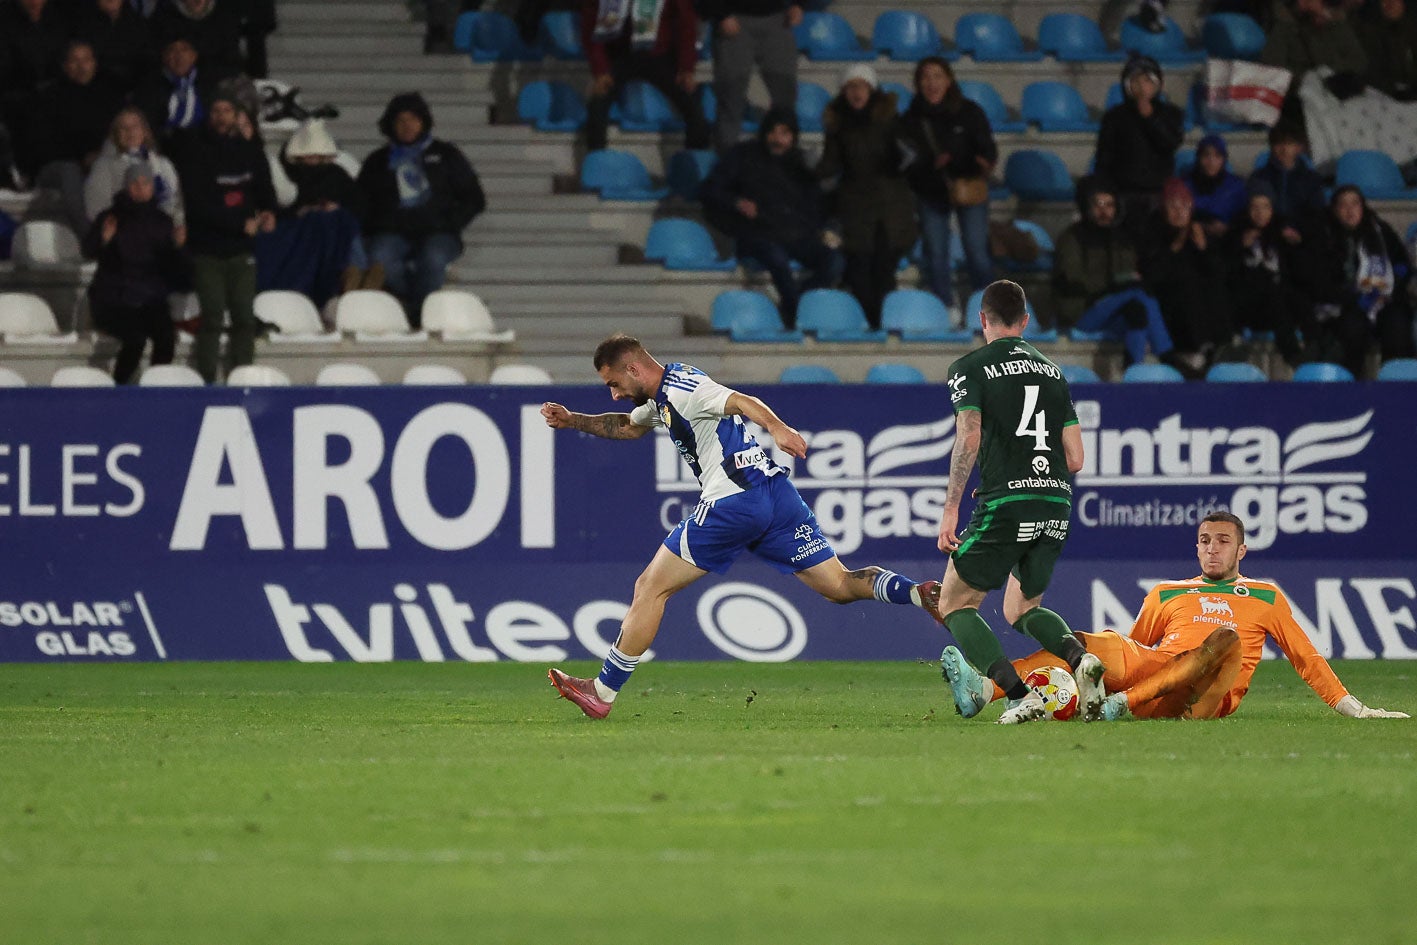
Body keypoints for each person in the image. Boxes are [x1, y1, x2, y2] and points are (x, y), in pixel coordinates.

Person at [542, 333, 943, 719]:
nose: (614, 393)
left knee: (650, 588)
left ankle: (602, 691)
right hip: (775, 496)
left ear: (632, 368)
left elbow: (741, 401)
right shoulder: (666, 392)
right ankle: (918, 593)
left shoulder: (686, 390)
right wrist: (573, 420)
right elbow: (629, 425)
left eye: (614, 383)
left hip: (733, 501)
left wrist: (777, 428)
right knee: (838, 586)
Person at [943, 512, 1410, 721]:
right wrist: (1106, 663)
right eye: (1205, 540)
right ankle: (985, 690)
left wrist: (1353, 706)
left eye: (1223, 541)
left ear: (1241, 549)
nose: (1212, 548)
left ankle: (1118, 706)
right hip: (1159, 676)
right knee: (1100, 646)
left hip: (1209, 692)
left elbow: (1305, 657)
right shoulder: (1168, 592)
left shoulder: (1266, 595)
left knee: (1225, 640)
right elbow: (1135, 649)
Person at [932, 280, 1106, 725]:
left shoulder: (969, 367)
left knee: (954, 603)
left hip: (1007, 502)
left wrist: (952, 506)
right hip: (1055, 503)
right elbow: (1076, 458)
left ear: (983, 319)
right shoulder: (1053, 372)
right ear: (1025, 321)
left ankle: (1017, 695)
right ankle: (1079, 659)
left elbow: (969, 435)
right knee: (1021, 607)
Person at [699, 107, 842, 328]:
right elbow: (711, 189)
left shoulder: (800, 165)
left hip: (796, 235)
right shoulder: (744, 155)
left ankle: (797, 300)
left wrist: (823, 229)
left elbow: (816, 205)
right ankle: (795, 313)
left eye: (785, 133)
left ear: (793, 137)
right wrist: (737, 202)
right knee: (777, 259)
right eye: (773, 132)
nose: (778, 139)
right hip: (756, 233)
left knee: (835, 261)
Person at [170, 90, 276, 382]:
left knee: (244, 317)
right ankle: (206, 381)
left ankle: (242, 376)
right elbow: (198, 205)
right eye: (216, 111)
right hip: (208, 250)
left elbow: (265, 191)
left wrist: (268, 212)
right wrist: (238, 225)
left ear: (236, 115)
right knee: (213, 317)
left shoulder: (250, 152)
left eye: (227, 110)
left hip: (242, 251)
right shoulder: (195, 151)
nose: (221, 117)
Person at [357, 91, 485, 326]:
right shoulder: (377, 161)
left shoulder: (447, 155)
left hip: (438, 232)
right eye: (401, 121)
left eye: (413, 120)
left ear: (424, 122)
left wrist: (450, 222)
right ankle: (412, 301)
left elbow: (474, 198)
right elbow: (361, 201)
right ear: (391, 125)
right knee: (380, 258)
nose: (408, 126)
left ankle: (419, 314)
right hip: (391, 232)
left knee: (433, 259)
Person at [1051, 175, 1190, 373]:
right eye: (1098, 204)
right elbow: (1073, 278)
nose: (1104, 211)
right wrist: (1113, 284)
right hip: (1081, 311)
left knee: (1137, 310)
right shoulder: (1071, 238)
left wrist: (1121, 284)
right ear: (1086, 206)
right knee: (1138, 293)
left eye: (1110, 205)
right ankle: (1167, 357)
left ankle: (1133, 371)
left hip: (1113, 309)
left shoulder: (1121, 240)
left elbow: (1128, 276)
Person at [898, 55, 996, 325]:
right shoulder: (911, 119)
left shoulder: (969, 111)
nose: (932, 83)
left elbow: (987, 149)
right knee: (936, 252)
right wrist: (929, 164)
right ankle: (945, 306)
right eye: (926, 77)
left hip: (968, 187)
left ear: (949, 80)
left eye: (937, 76)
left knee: (977, 250)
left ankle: (986, 307)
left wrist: (960, 158)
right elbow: (905, 159)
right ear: (918, 83)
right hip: (930, 192)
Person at [817, 64, 916, 330]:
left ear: (871, 89)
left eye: (860, 86)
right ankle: (870, 327)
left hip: (890, 211)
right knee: (859, 275)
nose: (856, 92)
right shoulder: (837, 125)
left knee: (883, 275)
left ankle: (883, 328)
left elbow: (907, 156)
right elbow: (829, 165)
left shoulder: (890, 120)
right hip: (855, 210)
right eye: (850, 87)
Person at [82, 162, 188, 384]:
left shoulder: (163, 222)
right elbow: (88, 250)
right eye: (135, 183)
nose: (140, 188)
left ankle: (154, 386)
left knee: (166, 338)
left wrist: (178, 248)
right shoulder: (110, 218)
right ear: (126, 187)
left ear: (152, 186)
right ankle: (121, 389)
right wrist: (104, 241)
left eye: (145, 183)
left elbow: (175, 271)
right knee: (135, 338)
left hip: (149, 299)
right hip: (113, 299)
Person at [257, 119, 378, 307]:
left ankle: (357, 276)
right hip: (300, 232)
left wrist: (335, 208)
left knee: (343, 222)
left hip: (335, 230)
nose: (312, 158)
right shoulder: (287, 174)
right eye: (308, 154)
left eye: (317, 154)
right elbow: (281, 205)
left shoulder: (337, 175)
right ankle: (351, 278)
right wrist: (304, 211)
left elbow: (358, 205)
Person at [1307, 184, 1416, 375]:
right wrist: (1353, 296)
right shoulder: (1325, 236)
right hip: (1346, 305)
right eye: (1343, 205)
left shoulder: (1380, 230)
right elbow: (1320, 282)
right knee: (1352, 329)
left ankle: (1395, 386)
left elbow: (1402, 265)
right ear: (1334, 210)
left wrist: (1389, 288)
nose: (1350, 211)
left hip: (1385, 301)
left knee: (1398, 325)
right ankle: (1354, 390)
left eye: (1355, 204)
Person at [21, 41, 127, 236]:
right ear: (64, 66)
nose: (81, 66)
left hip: (101, 161)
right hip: (57, 167)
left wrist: (100, 155)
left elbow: (121, 133)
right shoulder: (48, 97)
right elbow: (40, 145)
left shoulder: (109, 97)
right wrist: (81, 159)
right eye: (75, 61)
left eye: (86, 60)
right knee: (70, 171)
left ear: (94, 63)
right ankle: (89, 237)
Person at [581, 0, 710, 152]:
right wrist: (600, 70)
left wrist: (686, 68)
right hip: (619, 57)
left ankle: (694, 161)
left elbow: (686, 24)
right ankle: (597, 163)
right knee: (597, 106)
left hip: (660, 56)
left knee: (695, 109)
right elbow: (591, 27)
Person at [1139, 177, 1235, 367]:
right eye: (1173, 206)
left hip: (1200, 308)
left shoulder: (1199, 233)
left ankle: (1220, 344)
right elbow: (1153, 277)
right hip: (1167, 305)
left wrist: (1203, 249)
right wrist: (1174, 249)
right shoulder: (1152, 233)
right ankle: (1196, 346)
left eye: (1184, 206)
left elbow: (1218, 274)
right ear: (1163, 208)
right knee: (1185, 283)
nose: (1179, 212)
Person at [1094, 54, 1186, 234]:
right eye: (1135, 81)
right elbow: (1104, 158)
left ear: (1157, 84)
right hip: (1124, 194)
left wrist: (1150, 117)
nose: (1142, 87)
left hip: (1158, 195)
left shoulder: (1171, 114)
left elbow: (1171, 142)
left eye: (1147, 81)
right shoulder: (1114, 117)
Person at [697, 0, 801, 152]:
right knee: (731, 96)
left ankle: (786, 159)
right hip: (733, 18)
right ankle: (728, 160)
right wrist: (720, 14)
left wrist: (798, 4)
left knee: (785, 96)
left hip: (778, 17)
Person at [1222, 179, 1305, 367]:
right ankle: (1294, 357)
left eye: (1265, 207)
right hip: (1248, 308)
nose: (1260, 213)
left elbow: (1298, 275)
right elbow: (1226, 277)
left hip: (1278, 309)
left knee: (1288, 296)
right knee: (1267, 285)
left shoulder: (1282, 235)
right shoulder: (1235, 234)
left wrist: (1296, 246)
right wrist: (1240, 247)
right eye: (1254, 207)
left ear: (1272, 209)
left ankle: (1313, 354)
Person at [84, 106, 185, 228]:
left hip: (164, 230)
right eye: (123, 127)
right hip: (126, 232)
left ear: (144, 131)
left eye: (135, 126)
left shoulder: (163, 164)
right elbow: (96, 209)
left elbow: (177, 203)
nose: (130, 131)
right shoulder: (104, 165)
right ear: (116, 134)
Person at [132, 37, 217, 143]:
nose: (179, 56)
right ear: (164, 56)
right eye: (172, 50)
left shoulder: (208, 85)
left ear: (194, 56)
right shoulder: (150, 87)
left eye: (184, 50)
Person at [1247, 124, 1326, 237]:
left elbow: (1317, 213)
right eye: (1279, 144)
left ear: (1299, 147)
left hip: (1302, 236)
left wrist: (1297, 230)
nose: (1284, 149)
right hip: (1269, 235)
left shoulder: (1311, 179)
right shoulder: (1259, 177)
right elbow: (1253, 213)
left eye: (1289, 144)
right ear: (1272, 147)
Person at [73, 0, 159, 95]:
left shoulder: (141, 26)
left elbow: (150, 67)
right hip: (91, 94)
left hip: (133, 95)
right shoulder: (81, 26)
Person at [151, 0, 245, 83]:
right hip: (171, 82)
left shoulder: (226, 11)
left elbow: (232, 63)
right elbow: (155, 59)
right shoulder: (164, 13)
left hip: (219, 81)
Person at [1184, 134, 1247, 239]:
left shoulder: (1236, 186)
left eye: (1217, 156)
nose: (1211, 162)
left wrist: (1228, 227)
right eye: (1206, 155)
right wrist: (1202, 225)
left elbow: (1244, 216)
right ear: (1198, 157)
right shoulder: (1185, 184)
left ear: (1224, 159)